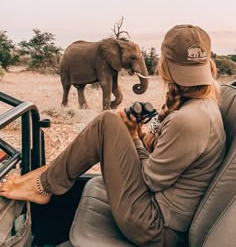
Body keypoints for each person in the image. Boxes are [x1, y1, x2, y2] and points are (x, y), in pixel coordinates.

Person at [0, 24, 226, 247]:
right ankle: (46, 180)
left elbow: (150, 180)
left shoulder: (189, 119)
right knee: (110, 122)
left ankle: (43, 186)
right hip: (159, 214)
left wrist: (133, 138)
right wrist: (136, 134)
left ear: (164, 65)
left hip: (155, 227)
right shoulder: (198, 106)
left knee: (107, 122)